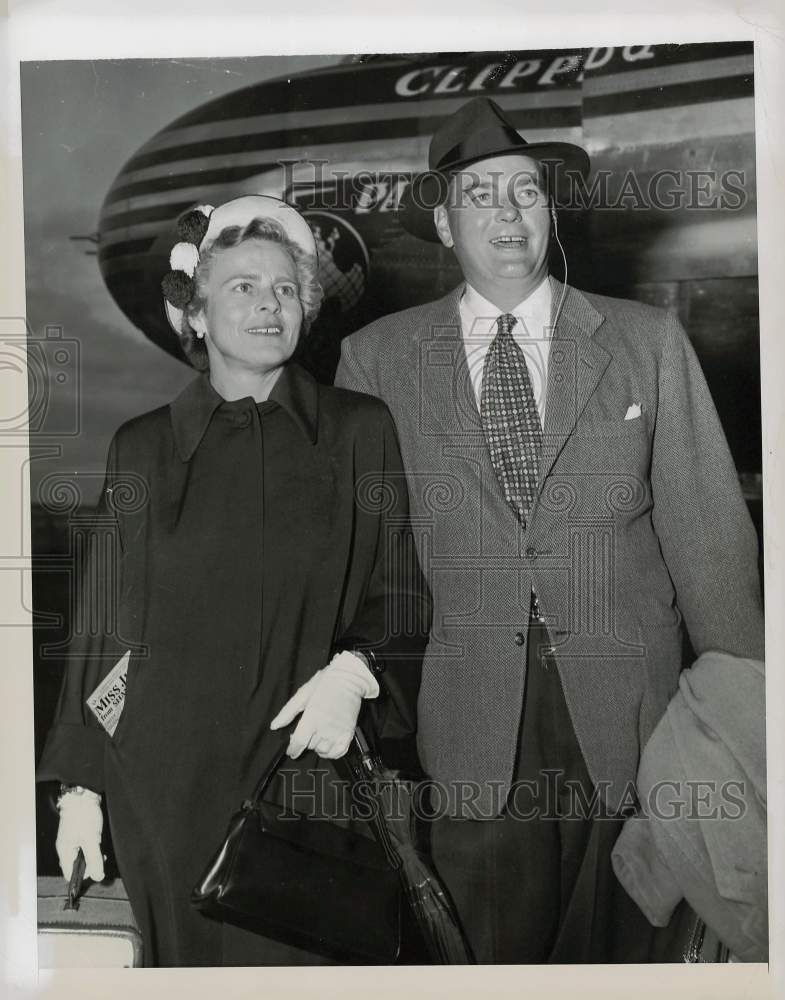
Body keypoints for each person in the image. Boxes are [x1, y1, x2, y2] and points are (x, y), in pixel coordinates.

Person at [334, 97, 764, 963]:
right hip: (462, 726)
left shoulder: (644, 341)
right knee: (484, 959)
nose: (507, 212)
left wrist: (749, 733)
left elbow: (711, 544)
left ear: (550, 211)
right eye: (480, 193)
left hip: (637, 725)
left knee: (634, 953)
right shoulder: (376, 359)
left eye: (525, 191)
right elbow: (365, 559)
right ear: (446, 227)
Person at [37, 195, 431, 967]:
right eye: (243, 286)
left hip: (306, 779)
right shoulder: (143, 448)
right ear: (196, 312)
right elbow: (101, 631)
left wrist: (357, 671)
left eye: (285, 288)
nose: (267, 304)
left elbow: (402, 592)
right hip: (160, 789)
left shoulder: (360, 430)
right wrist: (78, 788)